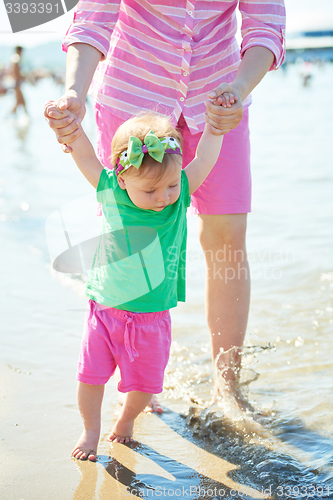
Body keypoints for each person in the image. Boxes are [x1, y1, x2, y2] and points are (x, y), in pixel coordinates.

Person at [44, 1, 286, 413]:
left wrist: (239, 90)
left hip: (220, 104)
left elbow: (266, 24)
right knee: (131, 238)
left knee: (227, 236)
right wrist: (74, 93)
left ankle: (227, 386)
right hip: (133, 100)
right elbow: (94, 16)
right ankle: (140, 375)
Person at [45, 95, 232, 460]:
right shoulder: (111, 190)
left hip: (151, 315)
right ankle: (91, 430)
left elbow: (205, 158)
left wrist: (214, 126)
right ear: (123, 177)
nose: (164, 197)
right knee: (91, 377)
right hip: (104, 310)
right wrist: (68, 122)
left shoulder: (180, 195)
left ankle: (126, 420)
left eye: (171, 186)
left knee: (145, 384)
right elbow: (84, 154)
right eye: (150, 190)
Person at [11, 46, 28, 115]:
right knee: (21, 101)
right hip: (16, 83)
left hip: (16, 83)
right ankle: (27, 116)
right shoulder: (16, 57)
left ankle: (11, 117)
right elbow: (15, 70)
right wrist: (20, 77)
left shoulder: (14, 57)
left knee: (19, 101)